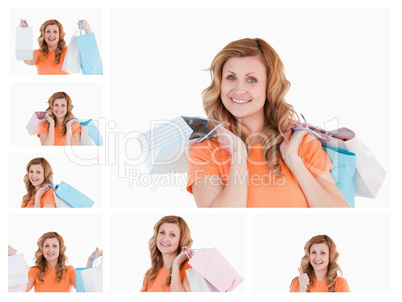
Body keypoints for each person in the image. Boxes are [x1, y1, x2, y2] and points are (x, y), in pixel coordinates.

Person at [187, 38, 349, 208]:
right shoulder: (204, 151)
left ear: (269, 86)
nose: (238, 89)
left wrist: (293, 160)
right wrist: (238, 156)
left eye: (251, 80)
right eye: (231, 77)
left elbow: (339, 215)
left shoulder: (299, 143)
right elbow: (221, 224)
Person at [8, 232, 102, 292]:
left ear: (60, 249)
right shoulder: (34, 271)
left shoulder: (69, 270)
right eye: (47, 246)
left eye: (55, 246)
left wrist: (90, 261)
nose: (50, 250)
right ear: (42, 249)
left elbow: (84, 287)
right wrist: (12, 259)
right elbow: (21, 290)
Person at [19, 19, 92, 75]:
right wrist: (24, 33)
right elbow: (27, 60)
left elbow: (87, 55)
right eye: (48, 31)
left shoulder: (67, 51)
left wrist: (87, 28)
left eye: (55, 31)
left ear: (59, 34)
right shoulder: (38, 53)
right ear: (43, 34)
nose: (51, 35)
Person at [142, 216, 193, 292]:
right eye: (162, 232)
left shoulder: (189, 267)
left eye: (172, 235)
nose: (165, 238)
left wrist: (176, 265)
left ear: (181, 239)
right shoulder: (150, 275)